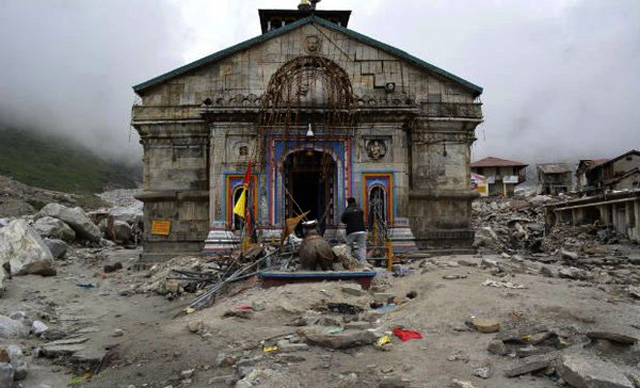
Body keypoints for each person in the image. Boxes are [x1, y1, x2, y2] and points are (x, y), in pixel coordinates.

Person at [341, 197, 367, 263]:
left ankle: (348, 261)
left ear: (348, 203)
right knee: (362, 246)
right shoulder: (360, 210)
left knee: (349, 245)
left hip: (351, 231)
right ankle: (362, 261)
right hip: (362, 230)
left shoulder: (347, 211)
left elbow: (343, 220)